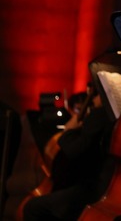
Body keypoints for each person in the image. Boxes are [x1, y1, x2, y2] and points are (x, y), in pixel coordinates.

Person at [22, 86, 114, 221]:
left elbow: (74, 151)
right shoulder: (113, 117)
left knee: (32, 208)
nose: (94, 100)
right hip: (100, 183)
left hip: (93, 188)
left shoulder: (100, 115)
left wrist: (68, 130)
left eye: (96, 95)